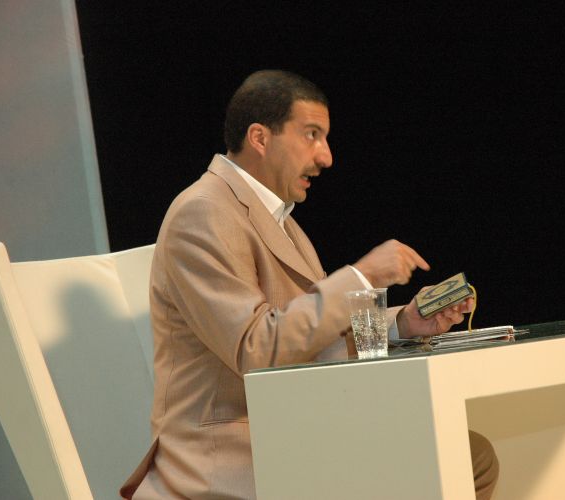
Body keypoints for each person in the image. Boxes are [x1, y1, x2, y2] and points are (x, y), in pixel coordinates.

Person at [121, 70, 498, 499]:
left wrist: (403, 324)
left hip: (294, 429)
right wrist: (362, 275)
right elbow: (257, 350)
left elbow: (311, 339)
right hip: (230, 451)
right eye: (312, 135)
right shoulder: (203, 212)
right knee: (443, 460)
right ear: (260, 138)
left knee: (470, 455)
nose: (327, 157)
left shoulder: (281, 221)